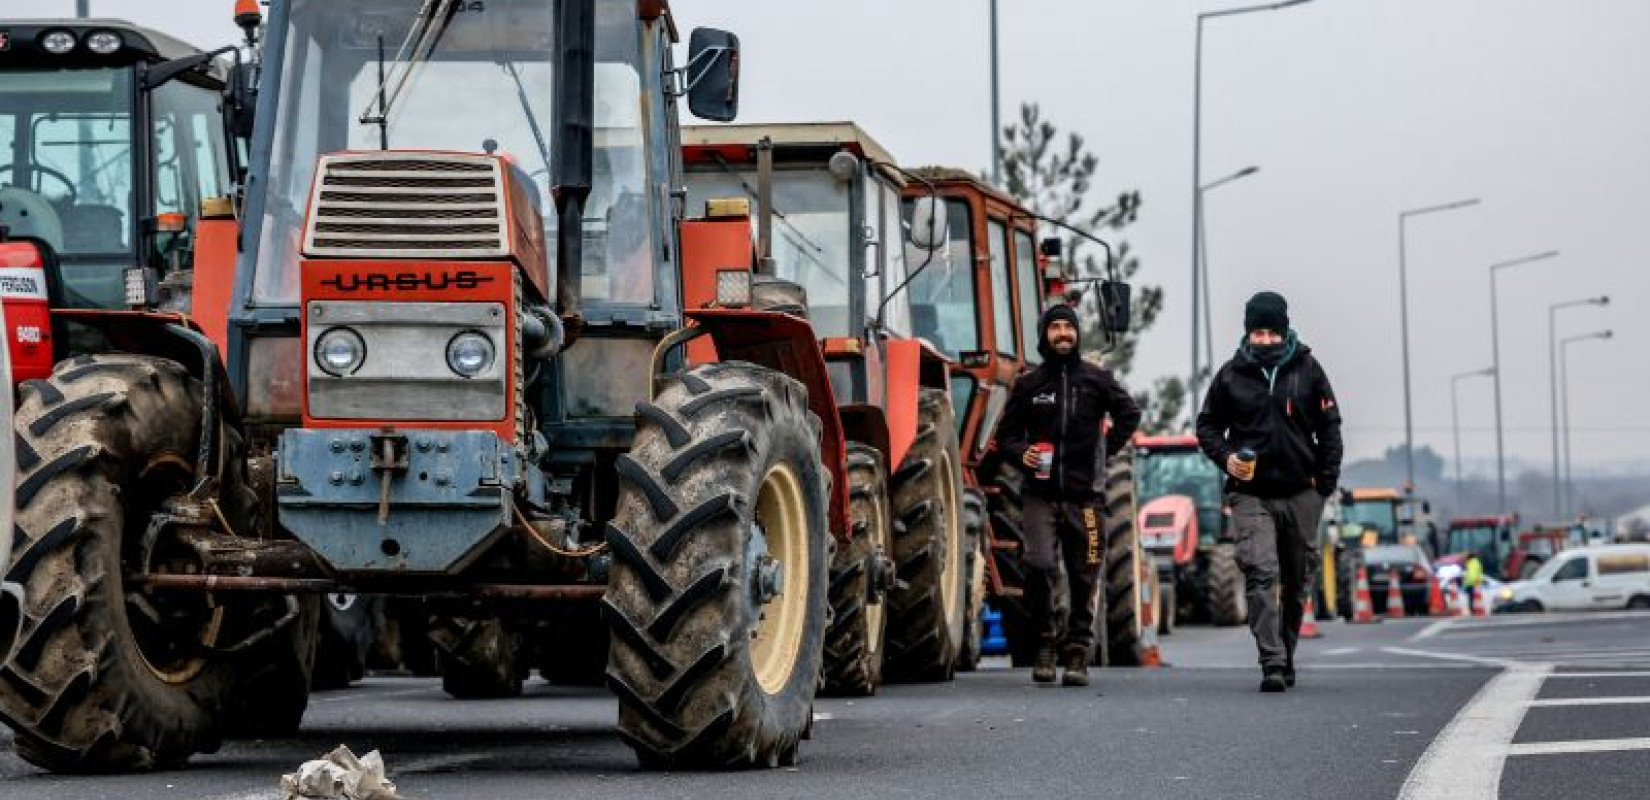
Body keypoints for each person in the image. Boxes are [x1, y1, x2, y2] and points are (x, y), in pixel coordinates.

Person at [1196, 291, 1343, 693]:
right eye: (1257, 332)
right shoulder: (1231, 374)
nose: (1264, 340)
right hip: (1250, 494)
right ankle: (1271, 661)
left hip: (1301, 492)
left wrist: (1323, 485)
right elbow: (1206, 427)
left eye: (1271, 332)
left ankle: (1287, 652)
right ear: (1248, 333)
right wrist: (1226, 459)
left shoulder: (1308, 370)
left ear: (1284, 331)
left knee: (1296, 581)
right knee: (1261, 572)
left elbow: (1330, 427)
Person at [994, 304, 1141, 686]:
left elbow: (1130, 414)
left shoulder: (1097, 380)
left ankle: (1077, 652)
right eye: (1055, 327)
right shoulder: (1029, 384)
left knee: (1084, 575)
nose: (1063, 333)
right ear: (1044, 335)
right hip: (1039, 495)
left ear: (1076, 334)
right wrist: (1019, 453)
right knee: (1039, 565)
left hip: (1085, 498)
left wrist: (1105, 451)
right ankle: (1044, 642)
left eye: (1068, 327)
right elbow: (1004, 438)